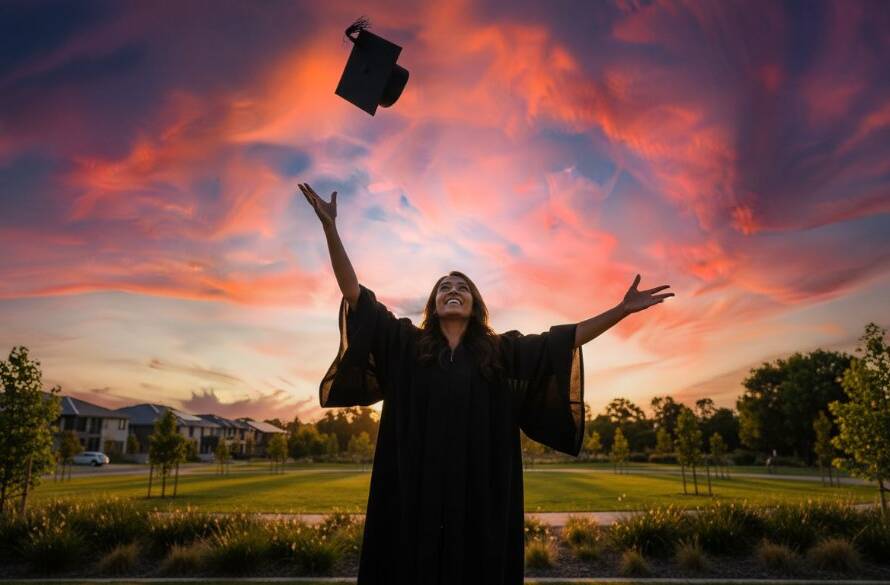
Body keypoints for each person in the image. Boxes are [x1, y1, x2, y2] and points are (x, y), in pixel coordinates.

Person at [299, 182, 674, 585]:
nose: (453, 291)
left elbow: (564, 341)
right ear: (434, 304)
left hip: (479, 492)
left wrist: (621, 310)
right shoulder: (406, 345)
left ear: (475, 304)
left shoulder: (502, 352)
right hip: (413, 490)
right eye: (445, 287)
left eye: (462, 288)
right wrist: (330, 229)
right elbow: (356, 296)